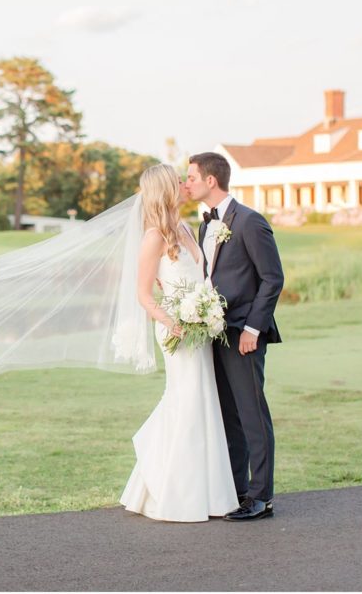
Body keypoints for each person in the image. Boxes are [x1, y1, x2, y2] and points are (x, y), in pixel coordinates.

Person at [118, 164, 241, 522]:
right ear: (164, 190)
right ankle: (176, 492)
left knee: (203, 402)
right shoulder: (153, 235)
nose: (184, 185)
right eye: (177, 182)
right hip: (176, 330)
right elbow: (143, 295)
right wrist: (173, 322)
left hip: (198, 327)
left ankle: (209, 495)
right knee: (186, 401)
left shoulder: (186, 227)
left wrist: (205, 312)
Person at [184, 152, 284, 521]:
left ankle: (262, 498)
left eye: (192, 176)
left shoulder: (250, 222)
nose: (187, 182)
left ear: (211, 181)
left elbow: (272, 278)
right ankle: (239, 491)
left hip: (245, 334)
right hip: (215, 334)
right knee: (230, 417)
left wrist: (253, 330)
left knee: (253, 415)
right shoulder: (204, 225)